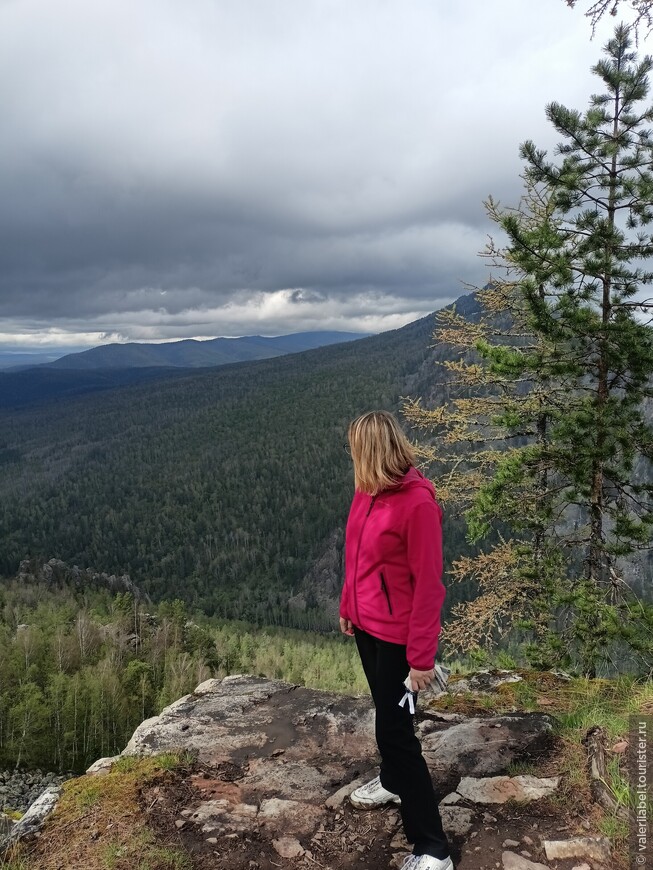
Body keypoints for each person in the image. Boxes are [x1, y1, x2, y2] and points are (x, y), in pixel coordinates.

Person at [339, 410, 453, 870]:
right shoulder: (368, 491)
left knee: (396, 732)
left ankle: (432, 848)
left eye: (355, 451)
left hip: (398, 642)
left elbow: (429, 586)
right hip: (367, 629)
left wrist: (422, 659)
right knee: (387, 718)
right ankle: (391, 782)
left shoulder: (418, 504)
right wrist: (349, 605)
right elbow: (357, 555)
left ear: (370, 452)